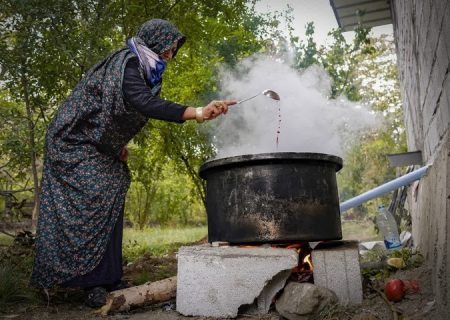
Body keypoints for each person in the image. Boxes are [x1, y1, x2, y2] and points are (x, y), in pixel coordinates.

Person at [30, 18, 235, 307]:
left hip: (95, 144)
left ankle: (109, 276)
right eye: (167, 47)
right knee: (99, 193)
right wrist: (199, 112)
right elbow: (143, 103)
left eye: (173, 50)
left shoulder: (144, 68)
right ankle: (90, 283)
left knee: (116, 185)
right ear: (154, 41)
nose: (170, 54)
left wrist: (116, 144)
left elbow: (111, 110)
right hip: (70, 143)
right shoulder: (127, 64)